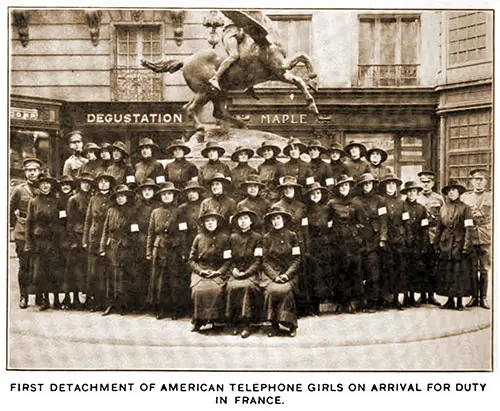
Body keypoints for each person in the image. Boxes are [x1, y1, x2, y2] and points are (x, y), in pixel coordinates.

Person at [146, 182, 188, 320]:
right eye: (164, 194)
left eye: (169, 194)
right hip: (159, 248)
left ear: (174, 195)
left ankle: (175, 309)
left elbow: (183, 232)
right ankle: (161, 308)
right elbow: (151, 233)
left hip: (174, 248)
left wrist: (183, 250)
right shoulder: (155, 212)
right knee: (159, 279)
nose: (167, 196)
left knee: (174, 279)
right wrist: (149, 250)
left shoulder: (179, 211)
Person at [261, 206, 301, 337]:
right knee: (271, 291)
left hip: (289, 273)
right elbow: (264, 261)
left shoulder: (292, 236)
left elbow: (297, 259)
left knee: (285, 291)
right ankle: (273, 325)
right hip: (271, 274)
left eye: (278, 218)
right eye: (273, 219)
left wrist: (287, 275)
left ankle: (291, 325)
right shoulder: (266, 237)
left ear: (283, 219)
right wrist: (274, 276)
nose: (276, 221)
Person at [188, 210, 231, 332]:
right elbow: (191, 260)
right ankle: (198, 321)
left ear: (217, 222)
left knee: (216, 290)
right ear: (203, 223)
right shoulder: (199, 238)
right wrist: (200, 271)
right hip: (201, 270)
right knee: (198, 291)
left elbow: (228, 261)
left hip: (218, 270)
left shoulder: (224, 238)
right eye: (207, 221)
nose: (210, 223)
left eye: (213, 220)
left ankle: (216, 320)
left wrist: (218, 272)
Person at [435, 180, 475, 311]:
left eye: (454, 190)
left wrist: (466, 246)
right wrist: (437, 244)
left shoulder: (466, 208)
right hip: (445, 244)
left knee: (459, 273)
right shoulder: (443, 208)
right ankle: (449, 300)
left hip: (459, 243)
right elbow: (439, 228)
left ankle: (459, 301)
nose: (451, 193)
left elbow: (469, 228)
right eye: (449, 191)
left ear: (458, 192)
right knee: (447, 273)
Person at [100, 184, 140, 316]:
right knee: (111, 275)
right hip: (112, 246)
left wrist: (130, 244)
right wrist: (102, 247)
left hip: (126, 247)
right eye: (118, 197)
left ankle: (124, 304)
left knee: (124, 275)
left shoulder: (133, 211)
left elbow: (135, 231)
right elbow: (105, 229)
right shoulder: (111, 210)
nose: (121, 199)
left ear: (127, 197)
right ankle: (111, 304)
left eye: (123, 196)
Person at [328, 175, 364, 314]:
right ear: (338, 188)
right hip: (338, 242)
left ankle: (351, 302)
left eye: (346, 186)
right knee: (339, 272)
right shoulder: (332, 203)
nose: (344, 188)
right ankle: (340, 302)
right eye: (341, 186)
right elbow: (327, 222)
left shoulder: (356, 202)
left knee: (353, 271)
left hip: (353, 242)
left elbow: (361, 222)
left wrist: (358, 237)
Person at [25, 173, 61, 311]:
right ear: (38, 186)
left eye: (48, 183)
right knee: (43, 271)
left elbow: (63, 221)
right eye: (42, 184)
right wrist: (29, 243)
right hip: (41, 241)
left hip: (55, 241)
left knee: (56, 270)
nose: (45, 186)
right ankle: (45, 300)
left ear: (51, 185)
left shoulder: (57, 201)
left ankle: (57, 299)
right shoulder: (33, 202)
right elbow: (29, 223)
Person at [352, 173, 388, 313]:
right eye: (365, 184)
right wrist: (356, 235)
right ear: (361, 186)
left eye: (370, 183)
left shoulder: (380, 200)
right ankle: (362, 301)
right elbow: (352, 221)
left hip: (374, 239)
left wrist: (383, 238)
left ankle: (374, 301)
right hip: (360, 240)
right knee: (360, 272)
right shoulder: (355, 201)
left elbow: (383, 220)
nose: (367, 186)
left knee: (374, 271)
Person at [225, 208, 263, 338]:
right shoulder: (232, 238)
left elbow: (258, 260)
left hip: (251, 272)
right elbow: (228, 258)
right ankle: (235, 322)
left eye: (245, 218)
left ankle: (247, 323)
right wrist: (234, 270)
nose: (243, 222)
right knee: (231, 287)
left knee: (247, 287)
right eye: (240, 219)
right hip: (235, 271)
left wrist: (247, 273)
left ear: (251, 221)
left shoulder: (257, 237)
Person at [10, 158, 42, 308]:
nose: (32, 173)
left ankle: (40, 296)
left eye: (34, 170)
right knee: (24, 265)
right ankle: (24, 297)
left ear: (39, 172)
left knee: (40, 265)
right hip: (22, 232)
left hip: (40, 232)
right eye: (29, 171)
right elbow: (10, 211)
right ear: (25, 173)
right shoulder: (19, 190)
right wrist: (13, 227)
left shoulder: (44, 187)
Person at [83, 172, 115, 312]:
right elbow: (88, 220)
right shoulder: (93, 199)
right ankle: (94, 300)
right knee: (93, 271)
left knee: (106, 270)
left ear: (110, 184)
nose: (103, 184)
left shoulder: (113, 199)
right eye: (101, 181)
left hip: (107, 238)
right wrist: (85, 239)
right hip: (94, 237)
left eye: (106, 181)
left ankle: (106, 301)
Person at [461, 168, 491, 309]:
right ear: (471, 181)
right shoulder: (465, 197)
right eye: (476, 180)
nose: (478, 182)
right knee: (472, 268)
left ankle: (483, 298)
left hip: (485, 234)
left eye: (481, 179)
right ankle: (473, 297)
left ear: (486, 181)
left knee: (484, 268)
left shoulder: (492, 196)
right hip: (471, 235)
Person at [303, 182, 333, 313]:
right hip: (313, 244)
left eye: (318, 193)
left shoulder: (327, 209)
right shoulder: (306, 210)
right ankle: (314, 306)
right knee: (315, 275)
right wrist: (308, 248)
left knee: (326, 272)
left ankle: (325, 302)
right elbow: (305, 231)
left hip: (325, 243)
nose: (316, 195)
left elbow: (331, 227)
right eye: (313, 193)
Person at [400, 181, 431, 308]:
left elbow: (424, 227)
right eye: (409, 191)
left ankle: (413, 296)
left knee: (415, 270)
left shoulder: (421, 209)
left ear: (417, 193)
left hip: (417, 244)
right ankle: (405, 296)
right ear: (406, 193)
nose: (412, 194)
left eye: (414, 191)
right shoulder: (402, 207)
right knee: (404, 269)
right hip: (405, 242)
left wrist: (424, 244)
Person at [63, 173, 92, 310]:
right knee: (74, 270)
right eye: (83, 182)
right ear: (79, 183)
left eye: (88, 182)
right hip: (76, 237)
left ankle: (88, 298)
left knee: (87, 270)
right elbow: (70, 222)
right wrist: (72, 240)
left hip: (88, 237)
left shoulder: (92, 198)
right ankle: (73, 298)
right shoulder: (73, 199)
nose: (86, 184)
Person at [416, 170, 444, 306]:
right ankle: (422, 295)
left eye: (428, 182)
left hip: (434, 235)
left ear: (432, 183)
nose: (425, 184)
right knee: (421, 265)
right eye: (422, 182)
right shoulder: (416, 197)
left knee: (433, 266)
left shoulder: (438, 198)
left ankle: (431, 295)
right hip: (421, 235)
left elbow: (443, 218)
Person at [379, 173, 406, 310]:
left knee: (399, 268)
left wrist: (405, 236)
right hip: (388, 239)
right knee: (387, 268)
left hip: (399, 239)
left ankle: (396, 299)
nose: (390, 187)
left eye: (393, 184)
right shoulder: (382, 201)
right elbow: (382, 221)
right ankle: (386, 298)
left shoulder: (401, 202)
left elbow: (405, 221)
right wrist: (383, 238)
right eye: (388, 184)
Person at [134, 178, 159, 312]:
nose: (147, 192)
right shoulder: (138, 207)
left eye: (150, 190)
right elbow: (133, 224)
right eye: (145, 190)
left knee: (154, 273)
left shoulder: (158, 206)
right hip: (140, 241)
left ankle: (154, 303)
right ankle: (141, 303)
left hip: (156, 242)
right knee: (140, 273)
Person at [56, 175, 78, 309]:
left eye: (68, 184)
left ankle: (75, 297)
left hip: (73, 237)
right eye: (63, 184)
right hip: (61, 238)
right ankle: (66, 297)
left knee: (74, 269)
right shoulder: (58, 200)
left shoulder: (74, 200)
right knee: (62, 269)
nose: (65, 187)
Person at [177, 180, 205, 261]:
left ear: (198, 192)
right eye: (189, 192)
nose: (191, 194)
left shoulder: (204, 204)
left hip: (203, 237)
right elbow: (182, 230)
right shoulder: (182, 208)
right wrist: (184, 248)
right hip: (189, 238)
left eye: (194, 191)